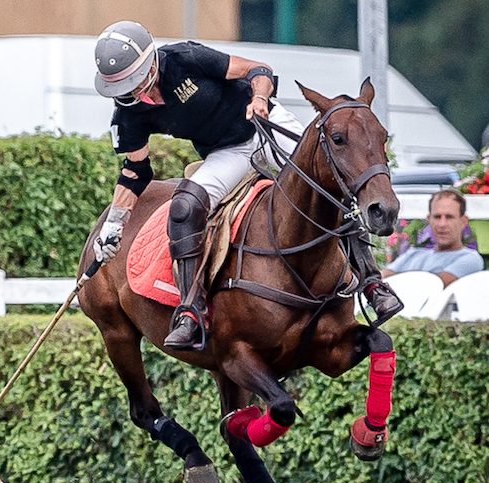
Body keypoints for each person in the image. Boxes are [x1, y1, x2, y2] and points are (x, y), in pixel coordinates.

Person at [90, 21, 400, 350]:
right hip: (227, 152)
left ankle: (371, 282)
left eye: (138, 81)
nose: (138, 93)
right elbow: (136, 170)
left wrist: (260, 98)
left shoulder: (185, 57)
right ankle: (191, 309)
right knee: (184, 206)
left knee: (328, 183)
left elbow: (258, 70)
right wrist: (115, 222)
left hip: (263, 121)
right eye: (125, 86)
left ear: (152, 61)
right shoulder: (128, 114)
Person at [382, 190, 484, 285]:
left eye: (449, 217)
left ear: (463, 221)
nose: (442, 224)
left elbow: (433, 286)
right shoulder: (412, 254)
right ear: (428, 219)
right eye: (437, 217)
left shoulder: (471, 259)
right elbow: (377, 280)